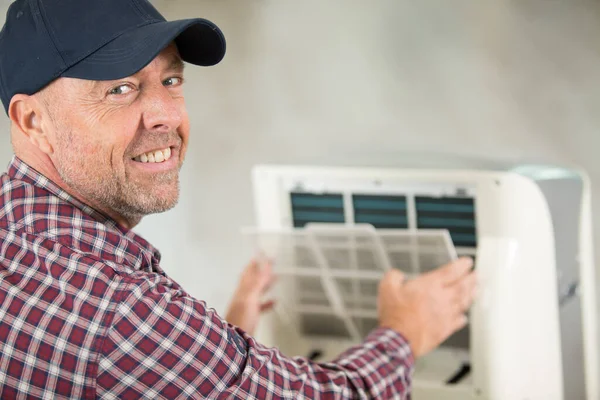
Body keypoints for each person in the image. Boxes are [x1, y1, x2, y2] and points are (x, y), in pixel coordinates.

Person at [0, 0, 477, 398]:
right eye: (121, 89)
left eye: (171, 80)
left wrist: (221, 352)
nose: (165, 116)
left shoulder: (22, 242)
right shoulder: (122, 312)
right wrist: (405, 333)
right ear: (32, 121)